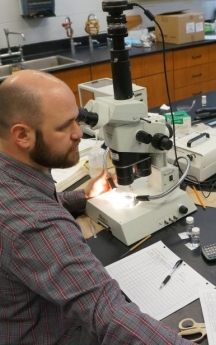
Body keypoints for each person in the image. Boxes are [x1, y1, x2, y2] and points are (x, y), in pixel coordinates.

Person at [0, 70, 194, 345]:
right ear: (22, 135)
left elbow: (33, 201)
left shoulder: (12, 172)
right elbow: (108, 314)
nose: (79, 133)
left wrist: (81, 195)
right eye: (64, 126)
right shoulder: (35, 224)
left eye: (77, 120)